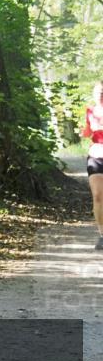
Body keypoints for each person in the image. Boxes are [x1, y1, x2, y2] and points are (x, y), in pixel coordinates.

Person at [82, 80, 103, 250]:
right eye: (98, 92)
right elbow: (87, 132)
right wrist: (86, 131)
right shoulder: (90, 111)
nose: (101, 94)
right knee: (97, 196)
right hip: (96, 155)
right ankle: (102, 235)